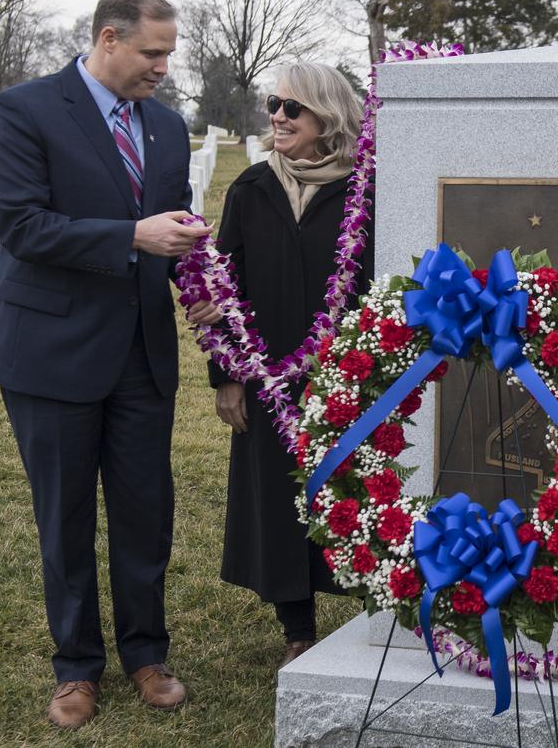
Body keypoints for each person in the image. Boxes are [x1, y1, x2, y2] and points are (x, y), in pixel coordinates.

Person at [0, 0, 220, 729]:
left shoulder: (170, 127)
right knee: (66, 514)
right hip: (50, 351)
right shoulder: (22, 111)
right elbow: (24, 226)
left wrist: (199, 279)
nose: (163, 68)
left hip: (143, 353)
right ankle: (75, 667)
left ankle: (146, 653)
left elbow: (171, 225)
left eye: (170, 54)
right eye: (153, 53)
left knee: (147, 511)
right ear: (109, 38)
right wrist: (130, 238)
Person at [208, 62, 372, 671]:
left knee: (357, 492)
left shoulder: (366, 192)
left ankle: (375, 611)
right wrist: (226, 376)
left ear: (326, 116)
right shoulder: (251, 188)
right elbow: (226, 287)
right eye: (273, 103)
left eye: (292, 107)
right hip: (268, 374)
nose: (277, 115)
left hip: (351, 375)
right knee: (279, 498)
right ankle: (297, 628)